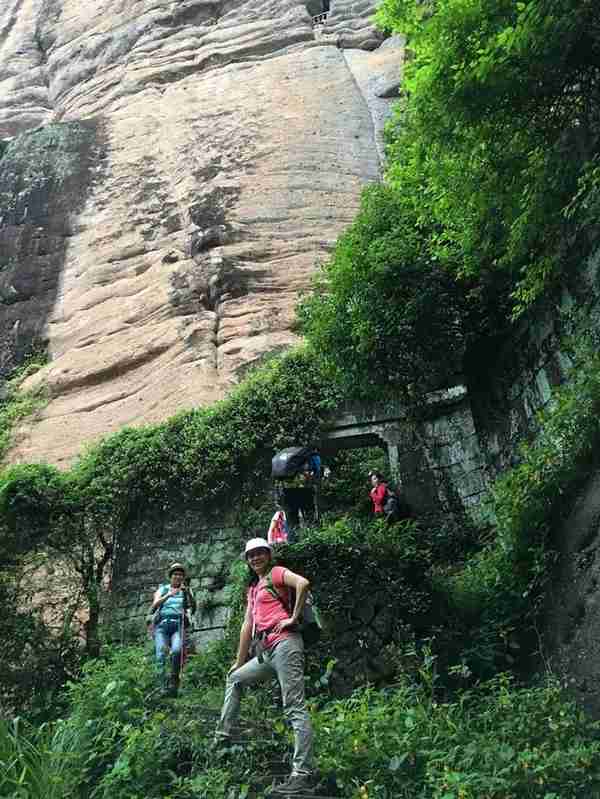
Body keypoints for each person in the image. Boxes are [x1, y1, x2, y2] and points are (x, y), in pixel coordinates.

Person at [215, 538, 315, 795]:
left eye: (260, 553)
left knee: (294, 707)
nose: (255, 558)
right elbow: (247, 626)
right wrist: (238, 662)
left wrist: (292, 618)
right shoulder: (253, 588)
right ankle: (222, 737)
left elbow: (302, 583)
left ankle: (301, 773)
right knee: (235, 679)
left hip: (286, 644)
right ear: (247, 561)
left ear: (268, 555)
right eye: (251, 556)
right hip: (266, 651)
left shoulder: (277, 573)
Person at [151, 562, 196, 696]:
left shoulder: (186, 591)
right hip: (162, 626)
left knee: (177, 651)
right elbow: (154, 605)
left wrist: (187, 592)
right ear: (170, 576)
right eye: (175, 574)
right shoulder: (163, 589)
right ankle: (161, 687)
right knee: (160, 654)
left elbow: (192, 607)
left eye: (180, 575)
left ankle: (173, 682)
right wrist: (170, 595)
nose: (178, 577)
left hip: (178, 625)